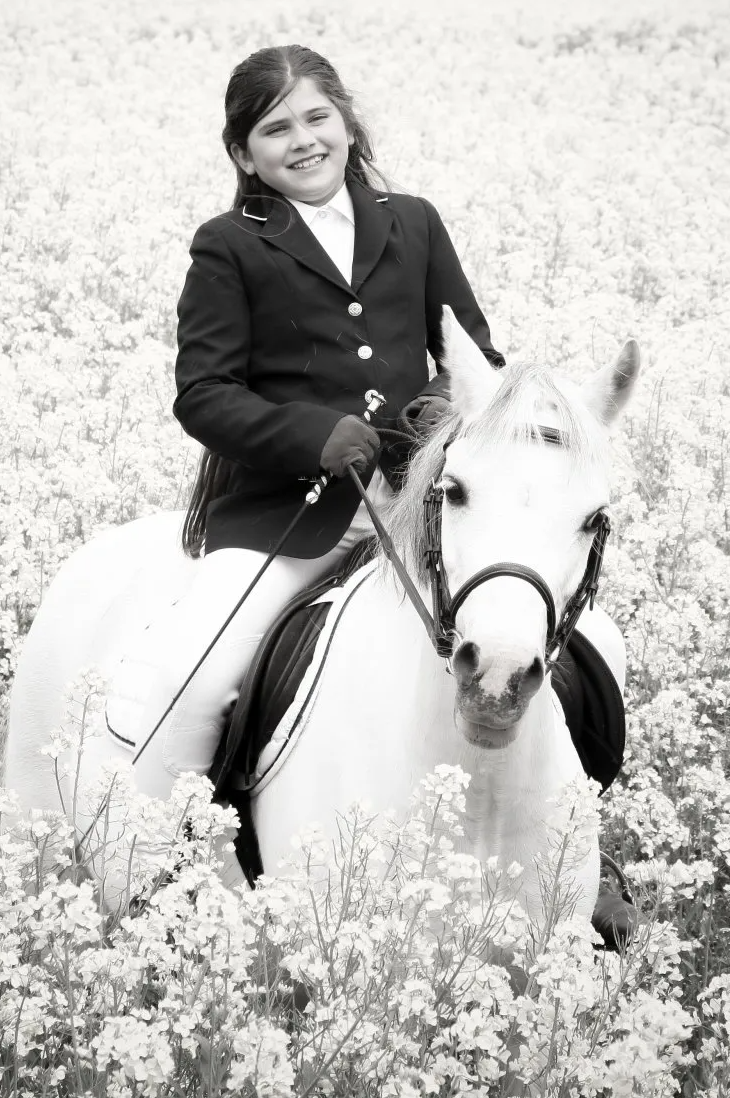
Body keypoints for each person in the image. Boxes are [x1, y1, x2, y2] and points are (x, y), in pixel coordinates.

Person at [129, 44, 503, 800]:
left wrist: (417, 423)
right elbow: (203, 393)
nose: (302, 140)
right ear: (243, 152)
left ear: (347, 122)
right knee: (192, 680)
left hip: (420, 503)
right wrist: (312, 436)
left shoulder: (416, 222)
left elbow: (475, 358)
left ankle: (581, 842)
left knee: (539, 644)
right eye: (275, 129)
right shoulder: (228, 245)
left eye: (316, 117)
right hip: (288, 518)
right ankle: (167, 854)